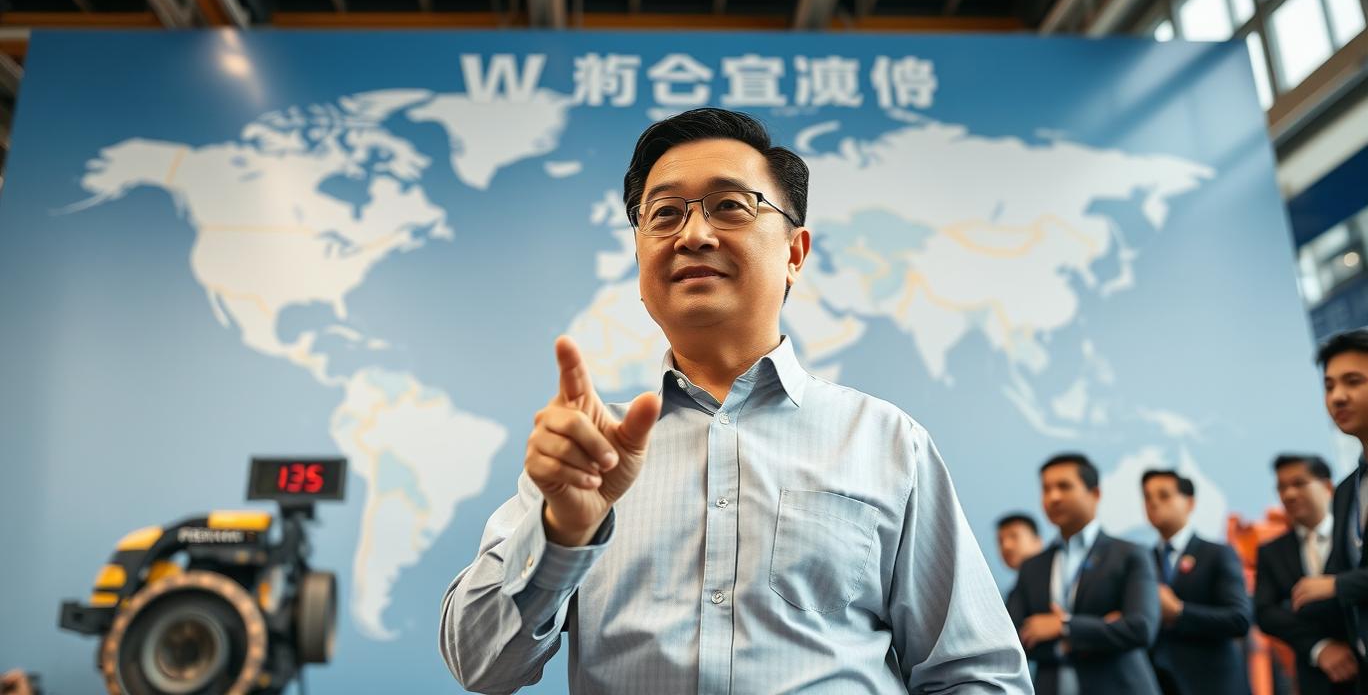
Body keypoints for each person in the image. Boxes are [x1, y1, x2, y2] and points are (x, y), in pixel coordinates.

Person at [438, 108, 1030, 693]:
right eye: (664, 214)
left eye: (729, 206)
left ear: (794, 253)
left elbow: (977, 675)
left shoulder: (885, 441)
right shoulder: (591, 453)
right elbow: (481, 665)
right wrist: (561, 533)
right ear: (640, 256)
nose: (693, 235)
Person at [1008, 452, 1161, 695]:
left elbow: (1141, 628)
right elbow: (1013, 638)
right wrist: (1096, 632)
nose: (1053, 497)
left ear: (1095, 494)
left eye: (1064, 486)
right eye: (1046, 489)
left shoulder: (1130, 554)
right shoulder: (1033, 566)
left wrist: (1064, 626)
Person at [1295, 329, 1368, 693]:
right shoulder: (1345, 491)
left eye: (1353, 381)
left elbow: (1336, 583)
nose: (1337, 396)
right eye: (1329, 386)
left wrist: (1338, 585)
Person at [1140, 469, 1251, 695]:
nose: (1153, 503)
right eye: (1147, 497)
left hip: (1212, 683)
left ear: (1189, 503)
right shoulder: (1142, 560)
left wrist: (1179, 612)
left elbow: (1239, 619)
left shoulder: (1217, 554)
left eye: (1164, 495)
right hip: (1158, 683)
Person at [1256, 454, 1356, 694]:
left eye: (1299, 483)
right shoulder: (1271, 551)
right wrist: (1319, 647)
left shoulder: (1354, 535)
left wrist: (1335, 585)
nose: (1289, 494)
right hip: (1315, 678)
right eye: (1282, 487)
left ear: (1327, 486)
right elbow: (1265, 612)